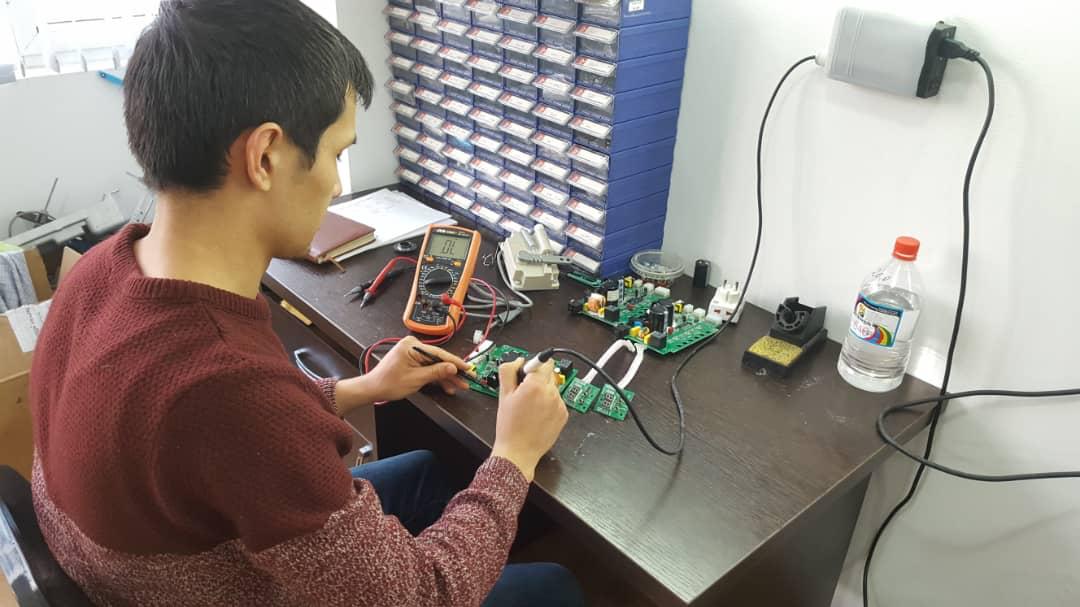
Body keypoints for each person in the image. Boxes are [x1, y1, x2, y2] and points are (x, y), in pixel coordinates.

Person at [28, 1, 581, 605]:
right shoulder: (228, 388)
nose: (338, 184)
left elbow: (210, 442)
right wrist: (515, 454)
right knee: (554, 586)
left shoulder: (100, 271)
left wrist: (361, 389)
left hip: (152, 563)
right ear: (265, 157)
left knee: (429, 472)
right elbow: (427, 596)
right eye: (337, 153)